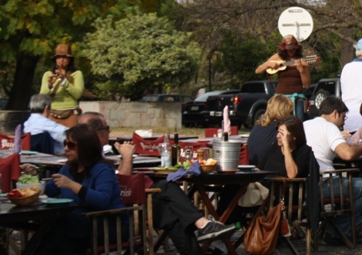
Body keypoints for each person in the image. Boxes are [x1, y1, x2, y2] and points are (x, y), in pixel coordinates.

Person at [79, 112, 234, 254]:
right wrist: (127, 157)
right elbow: (121, 184)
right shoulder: (87, 158)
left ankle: (202, 229)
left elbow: (114, 179)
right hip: (117, 213)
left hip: (132, 203)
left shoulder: (100, 152)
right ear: (96, 133)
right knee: (165, 189)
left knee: (169, 210)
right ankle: (203, 225)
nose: (110, 132)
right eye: (107, 128)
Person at [42, 124, 125, 254]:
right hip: (78, 224)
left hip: (107, 223)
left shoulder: (102, 169)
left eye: (71, 145)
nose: (65, 149)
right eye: (65, 144)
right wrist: (32, 178)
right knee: (53, 228)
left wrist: (72, 185)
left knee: (61, 230)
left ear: (85, 147)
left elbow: (103, 200)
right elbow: (49, 191)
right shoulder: (68, 169)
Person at [303, 96, 362, 241]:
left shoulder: (304, 125)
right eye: (343, 117)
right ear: (335, 113)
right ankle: (337, 228)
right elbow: (347, 155)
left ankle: (349, 225)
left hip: (302, 187)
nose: (343, 123)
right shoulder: (329, 127)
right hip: (322, 183)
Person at [256, 35, 312, 119]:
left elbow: (307, 85)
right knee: (279, 122)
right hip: (281, 98)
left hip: (297, 99)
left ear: (296, 48)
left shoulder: (302, 61)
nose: (291, 51)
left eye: (293, 48)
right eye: (288, 49)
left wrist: (301, 71)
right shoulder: (278, 57)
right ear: (284, 48)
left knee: (298, 124)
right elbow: (258, 71)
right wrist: (268, 64)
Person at [39, 44, 84, 127]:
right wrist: (49, 85)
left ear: (70, 59)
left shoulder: (77, 74)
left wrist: (64, 81)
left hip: (71, 114)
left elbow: (78, 95)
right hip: (52, 115)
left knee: (71, 139)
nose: (61, 60)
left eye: (65, 57)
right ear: (55, 60)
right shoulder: (48, 74)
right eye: (58, 57)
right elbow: (42, 96)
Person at [247, 94, 294, 168]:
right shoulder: (282, 130)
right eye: (291, 112)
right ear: (284, 112)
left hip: (253, 169)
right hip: (270, 172)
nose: (292, 115)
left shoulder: (256, 128)